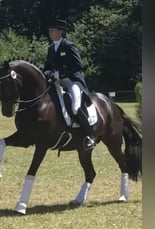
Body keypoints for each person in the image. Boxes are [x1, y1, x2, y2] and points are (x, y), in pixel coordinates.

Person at [43, 19, 95, 150]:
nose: (50, 33)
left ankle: (89, 136)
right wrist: (47, 72)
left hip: (72, 81)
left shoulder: (69, 46)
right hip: (56, 82)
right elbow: (47, 66)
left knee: (76, 107)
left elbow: (78, 65)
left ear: (60, 32)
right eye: (49, 30)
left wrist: (60, 73)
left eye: (52, 30)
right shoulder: (51, 48)